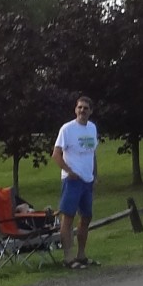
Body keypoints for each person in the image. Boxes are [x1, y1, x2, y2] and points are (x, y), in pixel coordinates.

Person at [53, 94, 98, 269]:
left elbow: (93, 153)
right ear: (75, 109)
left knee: (86, 217)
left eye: (86, 108)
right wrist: (69, 171)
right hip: (72, 180)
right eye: (79, 107)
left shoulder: (92, 128)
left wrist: (95, 174)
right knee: (68, 217)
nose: (82, 111)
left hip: (87, 180)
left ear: (91, 111)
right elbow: (56, 154)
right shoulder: (67, 129)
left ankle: (81, 255)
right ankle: (68, 257)